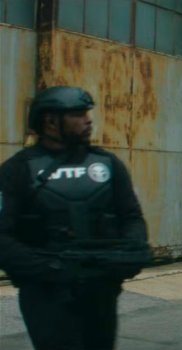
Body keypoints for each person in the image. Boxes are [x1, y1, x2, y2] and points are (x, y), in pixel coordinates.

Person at [0, 86, 150, 350]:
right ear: (50, 121)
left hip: (100, 288)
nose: (88, 119)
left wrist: (131, 253)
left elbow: (131, 217)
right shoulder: (18, 170)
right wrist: (51, 269)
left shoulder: (107, 164)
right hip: (47, 294)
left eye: (87, 113)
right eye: (78, 114)